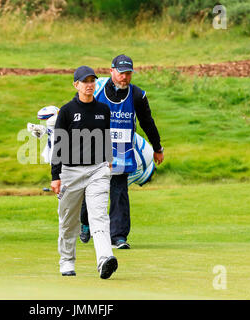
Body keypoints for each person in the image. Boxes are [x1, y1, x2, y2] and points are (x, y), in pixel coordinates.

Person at [79, 54, 164, 249]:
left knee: (119, 193)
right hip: (95, 152)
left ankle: (118, 237)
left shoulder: (137, 95)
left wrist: (157, 147)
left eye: (128, 73)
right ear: (111, 71)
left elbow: (147, 122)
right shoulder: (97, 88)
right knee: (89, 190)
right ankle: (85, 221)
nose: (125, 77)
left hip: (122, 154)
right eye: (121, 73)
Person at [50, 66, 118, 279]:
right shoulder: (67, 111)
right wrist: (55, 176)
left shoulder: (103, 110)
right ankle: (67, 261)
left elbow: (105, 135)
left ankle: (105, 259)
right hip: (70, 173)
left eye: (92, 81)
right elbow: (58, 145)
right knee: (69, 220)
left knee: (99, 215)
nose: (89, 85)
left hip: (98, 170)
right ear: (76, 85)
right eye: (85, 81)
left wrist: (108, 160)